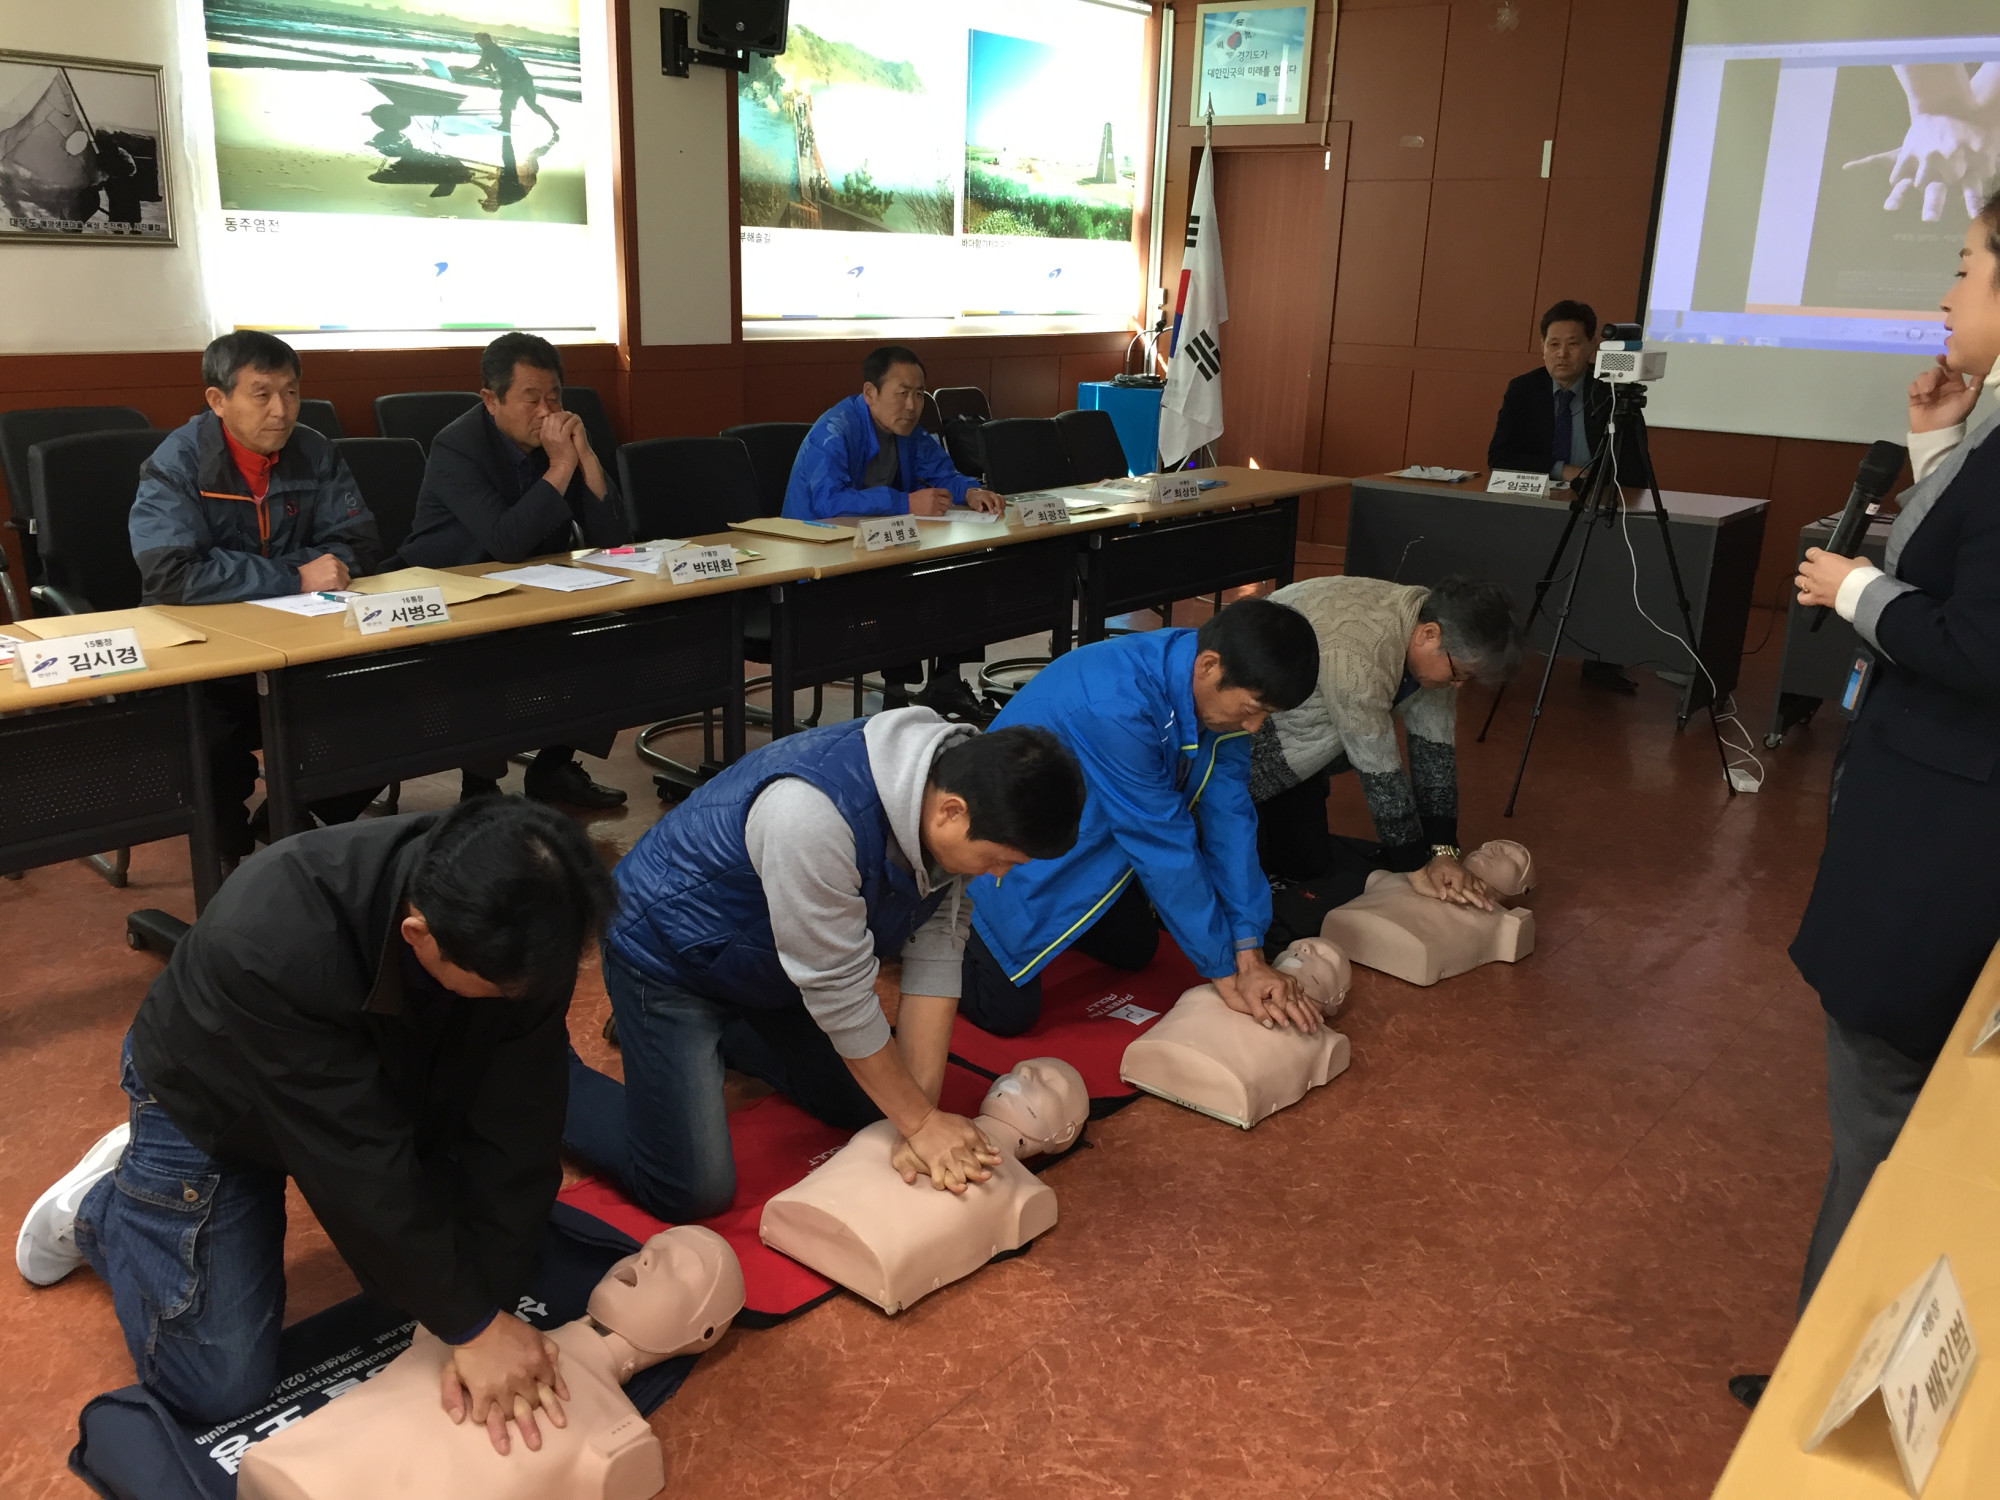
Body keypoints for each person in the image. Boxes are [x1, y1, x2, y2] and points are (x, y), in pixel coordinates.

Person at [15, 799, 617, 1455]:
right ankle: (103, 1207)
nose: (518, 1000)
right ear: (418, 935)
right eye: (497, 991)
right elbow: (356, 1164)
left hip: (380, 1083)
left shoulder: (532, 930)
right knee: (217, 1386)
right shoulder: (271, 934)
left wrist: (487, 1307)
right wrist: (471, 1326)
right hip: (216, 1101)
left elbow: (520, 1125)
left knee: (442, 1281)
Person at [1731, 190, 2000, 1413]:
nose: (1945, 295)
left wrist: (1848, 588)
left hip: (1942, 855)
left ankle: (1828, 1400)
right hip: (1939, 829)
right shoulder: (1986, 429)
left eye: (1965, 266)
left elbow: (1975, 643)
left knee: (1883, 1131)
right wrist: (1937, 451)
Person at [563, 710, 1086, 1221]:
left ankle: (712, 1035)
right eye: (998, 859)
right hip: (670, 955)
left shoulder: (954, 791)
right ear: (951, 811)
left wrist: (918, 1119)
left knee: (883, 1105)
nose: (997, 875)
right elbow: (840, 994)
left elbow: (937, 948)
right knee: (690, 1188)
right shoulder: (811, 816)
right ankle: (554, 1075)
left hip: (773, 961)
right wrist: (922, 1122)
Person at [959, 598, 1325, 1038]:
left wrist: (1250, 949)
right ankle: (928, 923)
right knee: (1006, 1014)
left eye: (1266, 715)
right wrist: (1226, 974)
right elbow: (1163, 846)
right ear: (1208, 666)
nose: (1254, 727)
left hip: (1092, 830)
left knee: (1135, 948)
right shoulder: (1115, 704)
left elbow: (1231, 822)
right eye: (1251, 709)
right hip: (1006, 851)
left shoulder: (1214, 691)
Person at [129, 330, 383, 857]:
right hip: (203, 657)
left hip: (300, 643)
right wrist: (295, 576)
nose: (281, 410)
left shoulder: (314, 450)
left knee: (387, 705)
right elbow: (171, 574)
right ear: (218, 400)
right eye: (262, 394)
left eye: (291, 393)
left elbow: (357, 544)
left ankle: (295, 818)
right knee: (207, 747)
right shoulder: (175, 463)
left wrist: (311, 573)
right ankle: (228, 853)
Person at [402, 332, 633, 809]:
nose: (547, 412)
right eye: (532, 398)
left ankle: (553, 768)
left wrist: (586, 457)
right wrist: (562, 465)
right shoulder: (457, 446)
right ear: (491, 400)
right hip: (452, 590)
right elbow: (505, 541)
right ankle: (479, 788)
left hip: (532, 588)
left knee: (611, 633)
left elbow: (613, 539)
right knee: (486, 652)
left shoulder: (559, 441)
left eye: (555, 398)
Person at [1250, 575, 1522, 902]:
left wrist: (1442, 850)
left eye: (1467, 677)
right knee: (1247, 869)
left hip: (1304, 752)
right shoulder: (1364, 650)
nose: (1459, 685)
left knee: (1307, 864)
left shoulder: (1439, 641)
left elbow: (1435, 755)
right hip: (1252, 738)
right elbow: (1379, 771)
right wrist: (1416, 868)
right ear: (1429, 634)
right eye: (1458, 673)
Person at [783, 345, 1006, 722]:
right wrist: (905, 503)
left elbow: (943, 472)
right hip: (820, 559)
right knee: (904, 581)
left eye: (919, 394)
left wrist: (969, 491)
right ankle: (895, 696)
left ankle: (946, 682)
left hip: (878, 547)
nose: (912, 405)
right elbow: (829, 502)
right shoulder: (834, 429)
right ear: (870, 392)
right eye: (902, 393)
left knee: (964, 565)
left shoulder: (907, 431)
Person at [1487, 299, 1641, 692]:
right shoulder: (1524, 390)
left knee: (1610, 567)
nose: (1562, 354)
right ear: (1542, 347)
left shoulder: (1612, 393)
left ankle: (1602, 659)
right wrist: (1563, 470)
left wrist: (1600, 479)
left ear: (1591, 348)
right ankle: (1499, 647)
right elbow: (1500, 457)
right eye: (1553, 344)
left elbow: (1635, 466)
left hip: (1598, 507)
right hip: (1537, 505)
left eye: (1572, 344)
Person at [466, 31, 559, 139]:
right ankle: (553, 124)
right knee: (533, 106)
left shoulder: (489, 50)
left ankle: (505, 126)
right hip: (526, 79)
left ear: (486, 40)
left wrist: (468, 71)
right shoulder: (503, 49)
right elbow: (498, 64)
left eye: (479, 41)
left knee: (505, 103)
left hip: (514, 82)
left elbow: (482, 65)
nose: (478, 44)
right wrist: (491, 71)